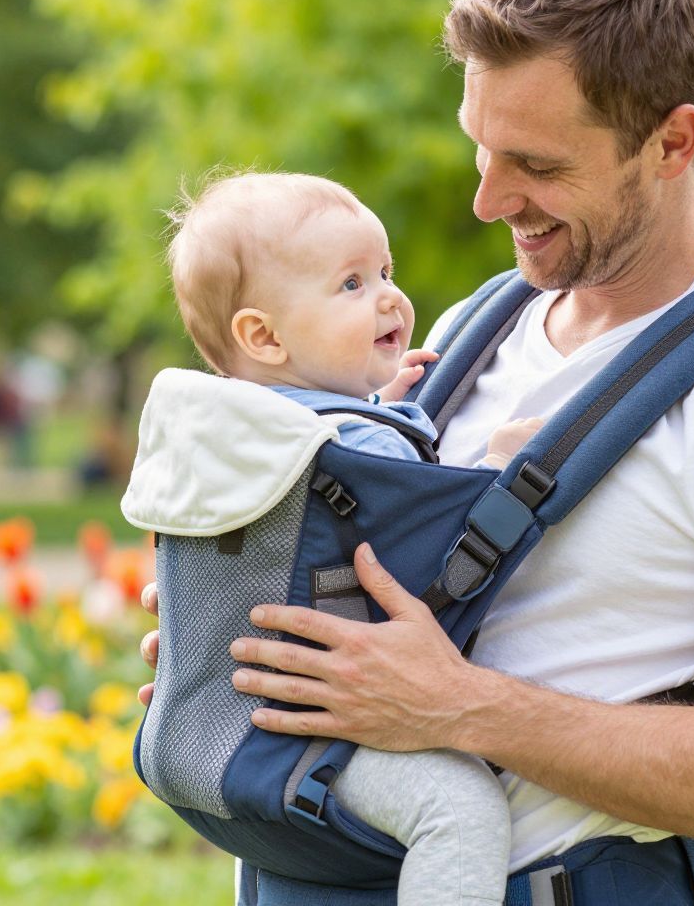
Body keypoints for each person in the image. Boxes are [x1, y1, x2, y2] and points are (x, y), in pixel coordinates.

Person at [142, 0, 694, 904]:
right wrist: (242, 622)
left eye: (537, 165)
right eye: (480, 149)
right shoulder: (469, 332)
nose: (488, 198)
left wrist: (462, 708)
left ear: (674, 140)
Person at [131, 170, 543, 905]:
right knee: (461, 809)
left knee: (272, 842)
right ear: (262, 334)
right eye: (351, 285)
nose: (388, 295)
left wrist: (378, 401)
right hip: (320, 734)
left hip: (203, 740)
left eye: (386, 271)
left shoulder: (225, 438)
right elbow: (435, 543)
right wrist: (498, 470)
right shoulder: (355, 449)